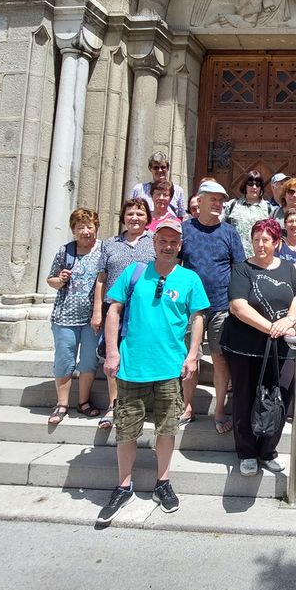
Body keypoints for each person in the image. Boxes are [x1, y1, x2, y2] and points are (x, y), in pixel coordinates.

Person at [97, 219, 208, 525]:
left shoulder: (189, 278)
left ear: (180, 245)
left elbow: (198, 317)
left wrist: (193, 355)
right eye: (163, 240)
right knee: (126, 429)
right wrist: (112, 351)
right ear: (154, 242)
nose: (168, 246)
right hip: (132, 366)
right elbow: (114, 310)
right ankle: (123, 485)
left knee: (167, 428)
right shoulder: (134, 272)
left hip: (170, 367)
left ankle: (163, 482)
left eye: (173, 241)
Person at [220, 219, 296, 476]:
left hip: (283, 348)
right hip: (245, 347)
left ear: (277, 242)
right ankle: (246, 452)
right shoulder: (242, 269)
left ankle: (268, 450)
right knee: (245, 397)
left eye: (266, 240)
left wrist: (290, 319)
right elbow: (238, 306)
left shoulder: (287, 268)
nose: (260, 244)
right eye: (256, 239)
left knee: (281, 396)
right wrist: (273, 328)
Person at [179, 179, 245, 431]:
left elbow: (239, 269)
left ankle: (219, 410)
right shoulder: (185, 230)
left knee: (219, 358)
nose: (218, 204)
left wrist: (236, 302)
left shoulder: (229, 232)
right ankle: (187, 406)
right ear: (200, 200)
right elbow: (175, 265)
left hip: (221, 305)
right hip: (190, 307)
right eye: (213, 199)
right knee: (190, 357)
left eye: (221, 200)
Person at [92, 198, 155, 429]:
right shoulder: (110, 244)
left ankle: (140, 405)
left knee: (141, 355)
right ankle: (113, 405)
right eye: (130, 213)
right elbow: (101, 279)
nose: (134, 218)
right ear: (123, 217)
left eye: (140, 213)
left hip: (146, 310)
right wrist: (97, 310)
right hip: (115, 309)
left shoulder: (155, 241)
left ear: (147, 218)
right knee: (113, 354)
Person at [45, 209, 104, 426]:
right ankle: (61, 404)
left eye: (89, 226)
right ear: (73, 230)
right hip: (65, 316)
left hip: (91, 318)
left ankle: (83, 402)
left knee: (88, 361)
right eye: (80, 227)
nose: (86, 231)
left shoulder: (103, 250)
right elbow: (50, 280)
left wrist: (99, 312)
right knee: (64, 359)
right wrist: (60, 279)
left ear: (96, 228)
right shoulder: (65, 251)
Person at [223, 170, 272, 256]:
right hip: (235, 256)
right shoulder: (233, 205)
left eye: (258, 184)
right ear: (245, 186)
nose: (254, 187)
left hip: (259, 257)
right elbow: (221, 228)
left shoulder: (268, 208)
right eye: (250, 184)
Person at [131, 151, 186, 219]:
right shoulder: (139, 189)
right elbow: (131, 211)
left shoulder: (178, 190)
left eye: (163, 167)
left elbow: (181, 216)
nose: (160, 170)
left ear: (168, 168)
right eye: (156, 167)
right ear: (150, 168)